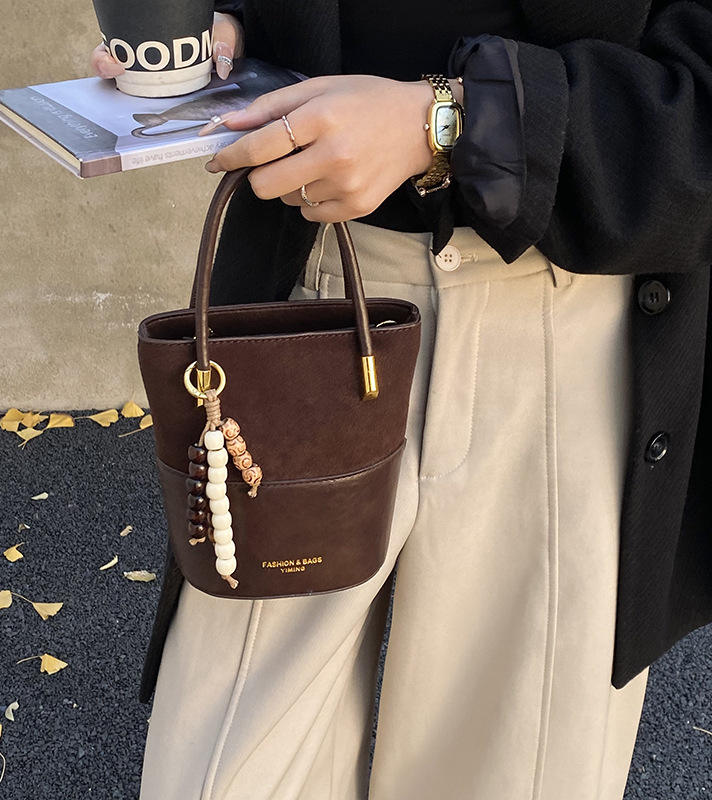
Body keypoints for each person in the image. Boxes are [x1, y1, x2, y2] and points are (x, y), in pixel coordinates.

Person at [91, 2, 712, 797]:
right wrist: (234, 38)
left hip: (565, 335)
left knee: (508, 770)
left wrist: (449, 123)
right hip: (313, 295)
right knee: (222, 768)